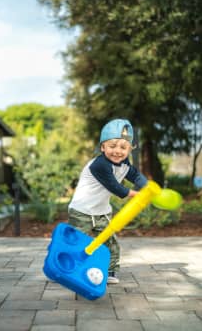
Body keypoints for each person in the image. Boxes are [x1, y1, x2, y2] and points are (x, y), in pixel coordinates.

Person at [68, 118, 148, 284]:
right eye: (112, 146)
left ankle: (110, 271)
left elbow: (136, 176)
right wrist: (138, 194)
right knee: (78, 241)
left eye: (123, 147)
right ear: (102, 147)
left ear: (130, 149)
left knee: (110, 241)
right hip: (81, 210)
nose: (118, 151)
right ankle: (66, 266)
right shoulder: (99, 165)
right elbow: (115, 187)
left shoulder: (124, 164)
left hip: (102, 211)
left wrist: (149, 188)